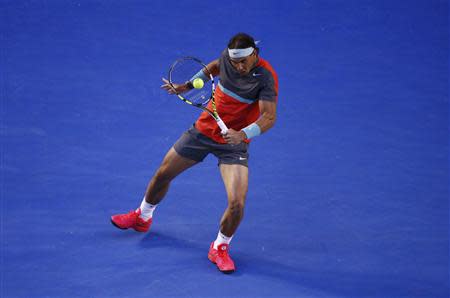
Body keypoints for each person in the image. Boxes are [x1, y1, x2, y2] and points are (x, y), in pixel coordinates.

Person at [111, 32, 278, 273]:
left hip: (234, 143)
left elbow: (269, 117)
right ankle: (142, 217)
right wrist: (187, 85)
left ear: (255, 54)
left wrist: (242, 135)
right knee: (163, 173)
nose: (238, 67)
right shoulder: (227, 60)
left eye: (243, 61)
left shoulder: (266, 77)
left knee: (237, 204)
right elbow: (213, 68)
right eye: (234, 62)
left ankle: (220, 247)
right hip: (203, 130)